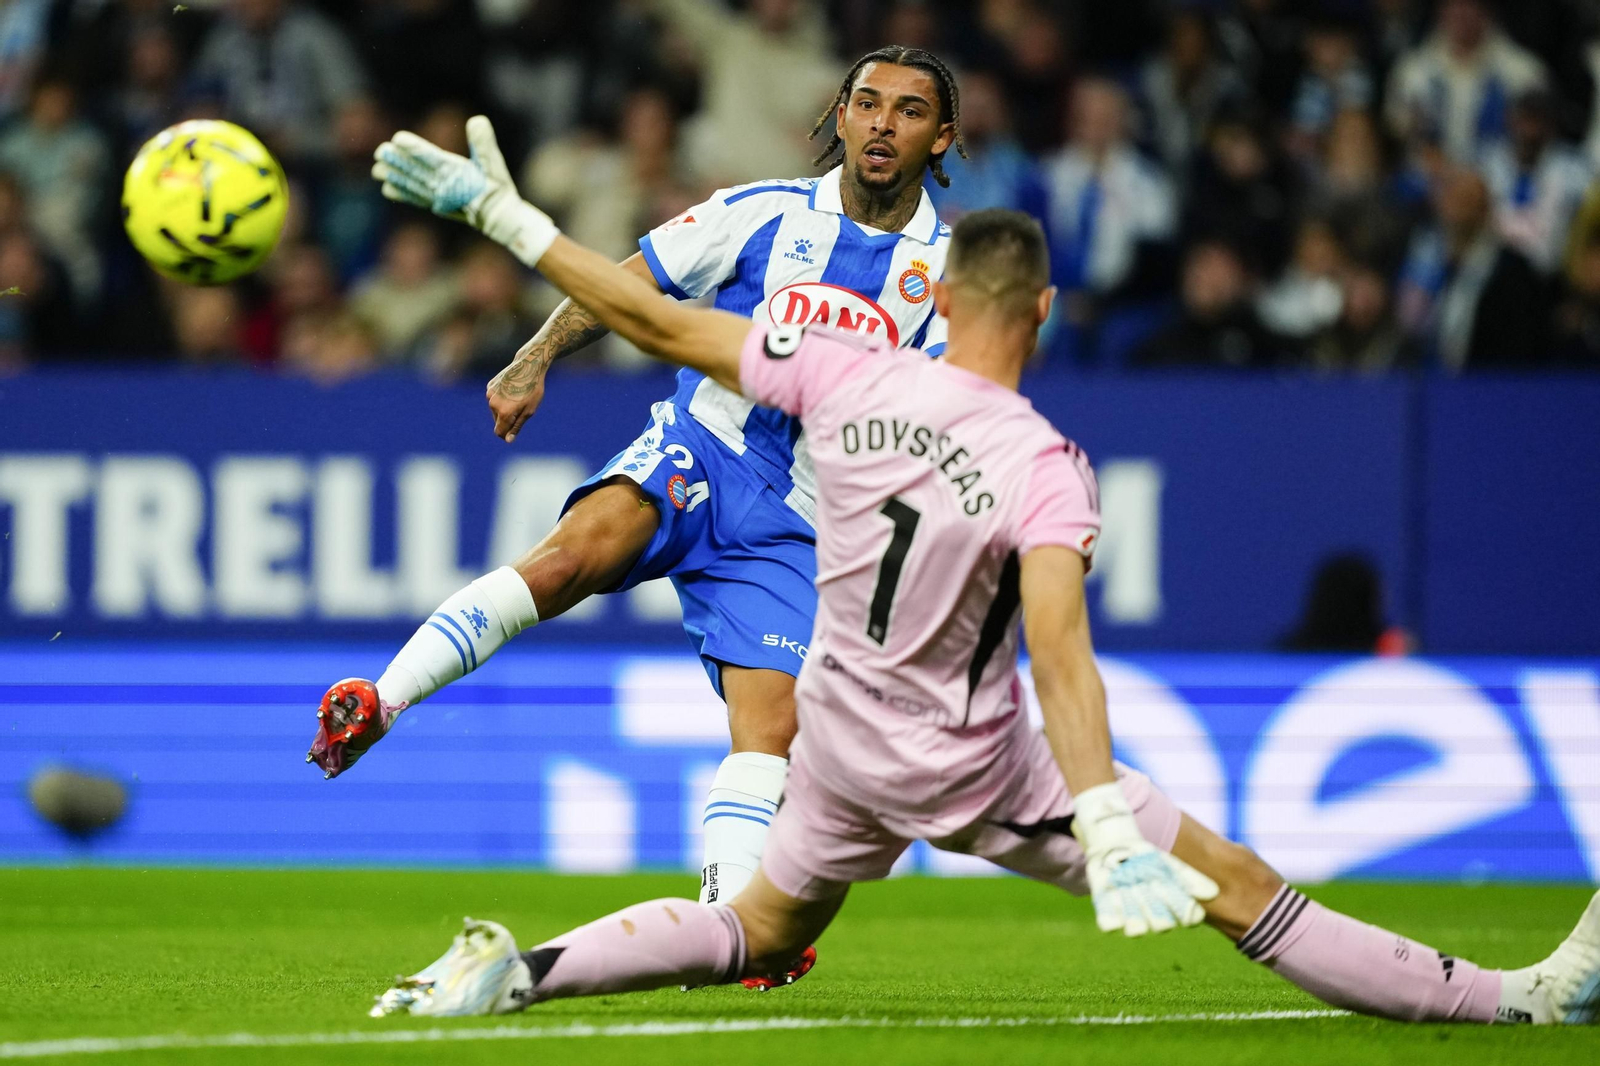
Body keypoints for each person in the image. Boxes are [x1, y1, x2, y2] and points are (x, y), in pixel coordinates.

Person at [363, 118, 1600, 1023]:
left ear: (940, 298)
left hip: (839, 748)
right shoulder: (1045, 465)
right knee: (1241, 890)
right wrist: (1100, 814)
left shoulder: (836, 372)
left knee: (755, 930)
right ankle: (1517, 999)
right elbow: (1058, 653)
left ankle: (520, 973)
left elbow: (660, 320)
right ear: (1044, 310)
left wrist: (507, 221)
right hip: (969, 761)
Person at [308, 48, 965, 935]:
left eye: (909, 110)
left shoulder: (951, 272)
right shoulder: (759, 213)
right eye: (868, 103)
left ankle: (727, 929)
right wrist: (535, 355)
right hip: (703, 450)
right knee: (568, 560)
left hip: (802, 520)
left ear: (941, 138)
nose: (884, 123)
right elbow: (627, 285)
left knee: (770, 732)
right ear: (838, 118)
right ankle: (378, 702)